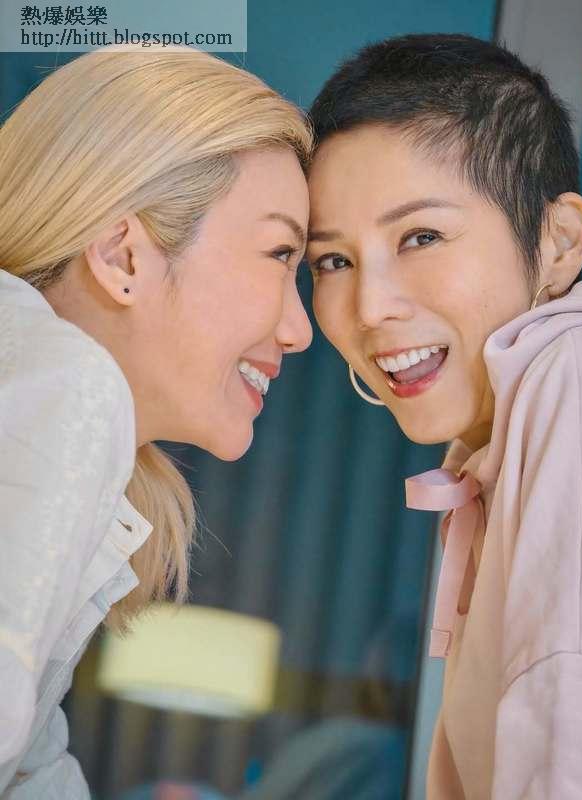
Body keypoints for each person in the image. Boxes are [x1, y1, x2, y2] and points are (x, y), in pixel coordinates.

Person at [0, 44, 312, 798]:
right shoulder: (68, 387)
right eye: (279, 253)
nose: (300, 329)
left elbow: (32, 770)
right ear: (122, 258)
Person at [307, 33, 582, 799]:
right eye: (333, 260)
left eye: (421, 237)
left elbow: (569, 714)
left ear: (559, 242)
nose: (370, 306)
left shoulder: (579, 374)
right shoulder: (497, 441)